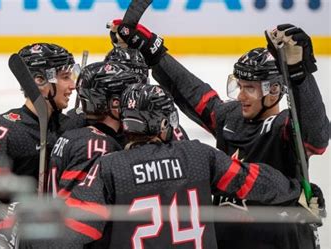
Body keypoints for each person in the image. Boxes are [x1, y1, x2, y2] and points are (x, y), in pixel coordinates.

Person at [109, 21, 328, 249]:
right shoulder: (232, 117)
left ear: (273, 91)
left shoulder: (284, 127)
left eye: (249, 88)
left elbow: (317, 136)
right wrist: (153, 51)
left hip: (281, 241)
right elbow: (192, 92)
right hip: (228, 240)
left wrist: (300, 75)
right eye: (239, 86)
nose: (241, 96)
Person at [60, 83, 322, 249]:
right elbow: (251, 180)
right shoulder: (198, 155)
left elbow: (73, 232)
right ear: (164, 123)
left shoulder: (110, 167)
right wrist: (297, 190)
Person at [0, 43, 82, 249]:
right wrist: (12, 219)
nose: (72, 86)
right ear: (39, 81)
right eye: (64, 77)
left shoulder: (68, 127)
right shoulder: (2, 129)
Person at [49, 61, 143, 199]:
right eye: (129, 98)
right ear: (115, 103)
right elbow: (75, 207)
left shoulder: (73, 133)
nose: (134, 104)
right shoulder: (97, 147)